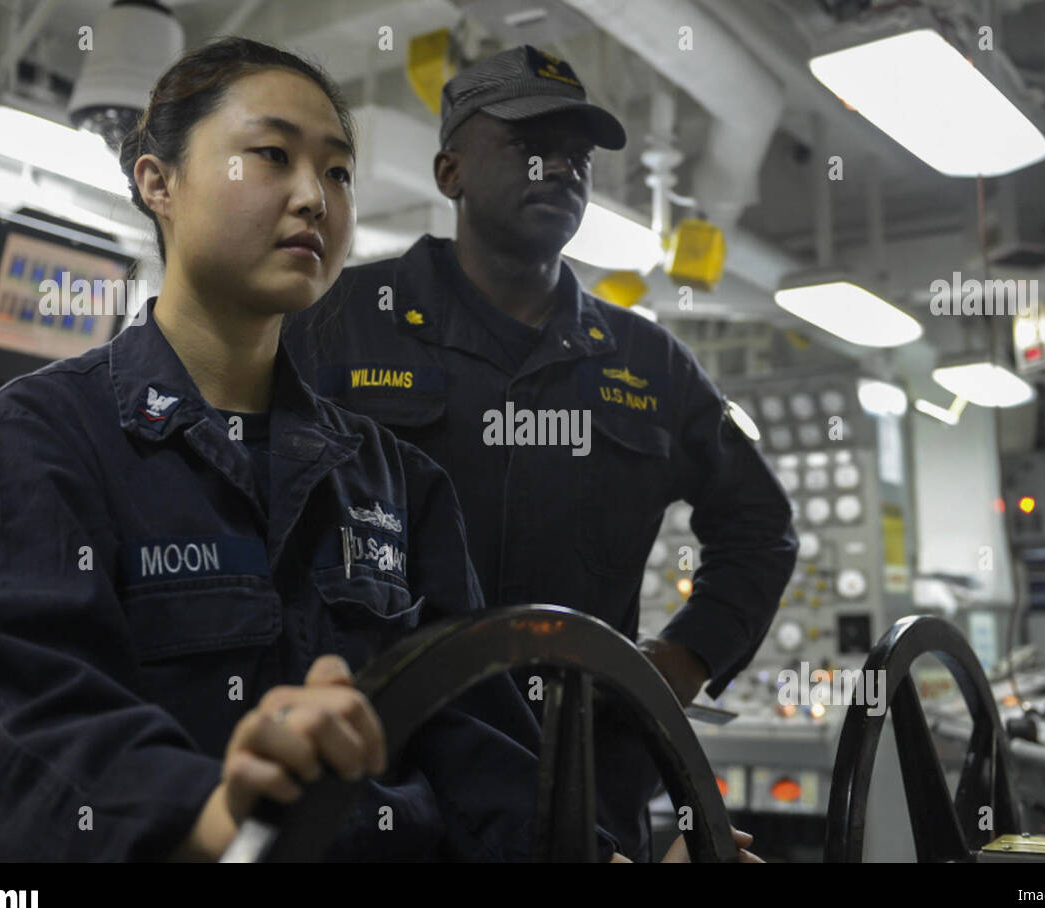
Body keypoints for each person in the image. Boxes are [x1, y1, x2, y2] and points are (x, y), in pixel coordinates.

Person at [0, 37, 661, 863]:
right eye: (271, 155)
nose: (314, 196)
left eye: (338, 172)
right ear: (158, 183)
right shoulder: (36, 443)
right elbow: (11, 731)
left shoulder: (398, 482)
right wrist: (221, 815)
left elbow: (478, 754)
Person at [283, 45, 799, 860]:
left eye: (578, 156)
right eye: (529, 145)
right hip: (385, 778)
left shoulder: (648, 363)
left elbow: (760, 524)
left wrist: (688, 654)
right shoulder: (341, 322)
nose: (560, 168)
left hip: (583, 786)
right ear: (449, 171)